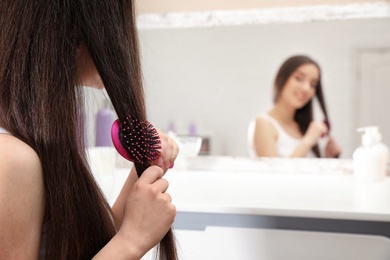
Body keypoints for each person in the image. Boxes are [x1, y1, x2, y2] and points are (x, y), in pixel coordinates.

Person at [0, 1, 179, 259]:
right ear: (74, 38)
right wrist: (132, 240)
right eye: (114, 30)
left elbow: (92, 250)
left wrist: (142, 174)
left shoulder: (40, 145)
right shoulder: (12, 160)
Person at [248, 55, 341, 158]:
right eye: (299, 78)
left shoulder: (303, 126)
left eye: (313, 84)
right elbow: (273, 173)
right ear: (282, 78)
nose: (306, 88)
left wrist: (328, 158)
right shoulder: (263, 123)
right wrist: (307, 141)